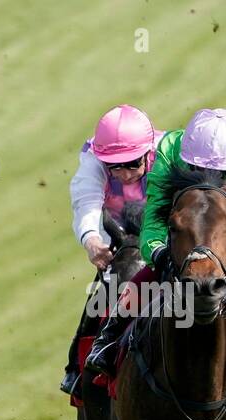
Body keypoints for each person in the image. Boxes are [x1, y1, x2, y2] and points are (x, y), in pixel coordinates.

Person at [86, 108, 226, 375]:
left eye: (221, 174)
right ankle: (109, 338)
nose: (209, 180)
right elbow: (155, 216)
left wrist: (225, 256)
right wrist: (157, 252)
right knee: (151, 270)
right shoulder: (171, 151)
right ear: (188, 160)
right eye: (198, 170)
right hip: (187, 229)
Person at [59, 104, 162, 394]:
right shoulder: (92, 161)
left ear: (147, 152)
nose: (125, 173)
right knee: (105, 288)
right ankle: (76, 367)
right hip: (117, 231)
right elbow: (87, 202)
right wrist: (92, 240)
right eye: (115, 166)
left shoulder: (168, 153)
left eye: (132, 164)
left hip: (162, 226)